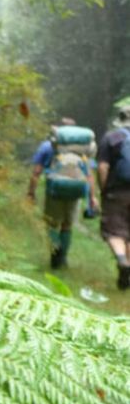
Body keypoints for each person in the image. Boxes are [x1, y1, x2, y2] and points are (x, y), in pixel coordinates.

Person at [28, 119, 99, 269]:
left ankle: (54, 256)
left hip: (54, 190)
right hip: (76, 189)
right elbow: (89, 175)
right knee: (67, 225)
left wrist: (31, 193)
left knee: (53, 224)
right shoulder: (83, 150)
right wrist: (92, 197)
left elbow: (36, 172)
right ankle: (63, 258)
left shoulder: (48, 146)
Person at [97, 105, 130, 289]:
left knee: (114, 231)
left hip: (116, 192)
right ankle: (128, 268)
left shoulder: (112, 137)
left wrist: (103, 189)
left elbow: (102, 167)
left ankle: (122, 260)